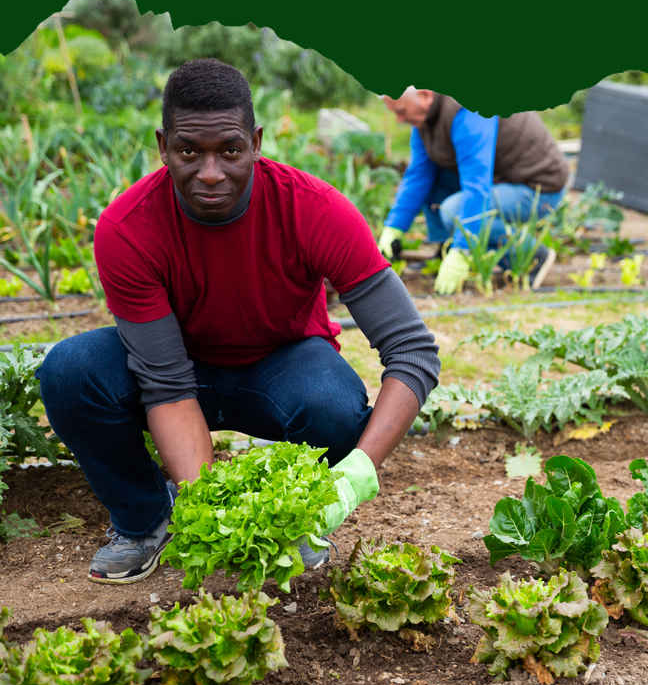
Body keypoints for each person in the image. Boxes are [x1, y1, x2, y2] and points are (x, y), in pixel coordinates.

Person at [37, 58, 440, 584]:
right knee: (70, 371)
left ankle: (301, 518)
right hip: (176, 369)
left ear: (256, 142)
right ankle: (145, 519)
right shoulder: (129, 227)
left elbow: (413, 350)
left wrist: (359, 473)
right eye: (188, 151)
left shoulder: (315, 210)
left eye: (230, 150)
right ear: (163, 146)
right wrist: (212, 512)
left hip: (280, 366)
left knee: (334, 405)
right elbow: (166, 382)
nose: (210, 172)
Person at [378, 87, 570, 294]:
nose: (399, 120)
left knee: (453, 211)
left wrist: (463, 249)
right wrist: (394, 227)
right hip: (500, 179)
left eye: (401, 111)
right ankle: (445, 249)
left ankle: (532, 256)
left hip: (537, 187)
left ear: (425, 95)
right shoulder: (426, 119)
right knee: (433, 180)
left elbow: (477, 185)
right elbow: (419, 174)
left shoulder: (469, 109)